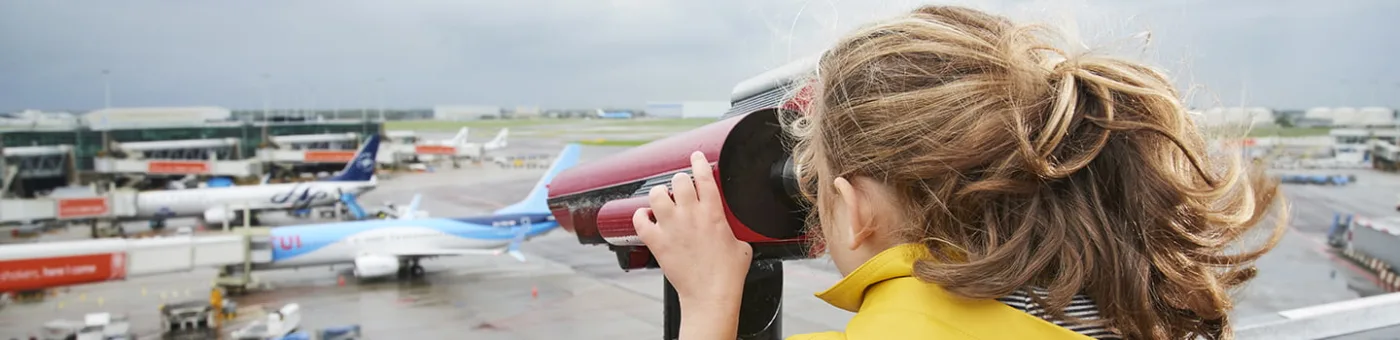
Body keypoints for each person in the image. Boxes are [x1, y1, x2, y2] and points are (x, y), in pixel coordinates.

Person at [632, 5, 1285, 340]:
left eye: (816, 194)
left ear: (854, 210)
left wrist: (709, 302)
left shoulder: (904, 330)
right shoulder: (1129, 305)